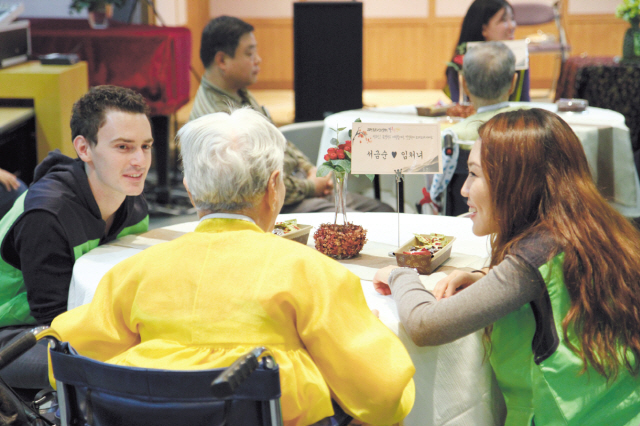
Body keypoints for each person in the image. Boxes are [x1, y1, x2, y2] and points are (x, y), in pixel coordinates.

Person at [45, 108, 415, 426]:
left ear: (190, 191)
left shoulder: (132, 274)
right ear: (275, 187)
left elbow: (68, 357)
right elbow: (382, 393)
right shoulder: (312, 273)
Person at [374, 109, 640, 425]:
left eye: (474, 174)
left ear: (517, 181)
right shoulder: (593, 225)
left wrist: (400, 274)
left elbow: (425, 325)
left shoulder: (532, 256)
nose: (463, 190)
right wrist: (483, 277)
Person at [0, 85, 151, 390]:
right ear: (84, 149)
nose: (140, 161)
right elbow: (56, 325)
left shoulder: (132, 200)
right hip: (17, 333)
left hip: (77, 316)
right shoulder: (48, 215)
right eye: (123, 147)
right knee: (121, 368)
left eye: (145, 146)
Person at [191, 15, 393, 213]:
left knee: (383, 211)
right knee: (360, 224)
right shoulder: (218, 120)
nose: (258, 60)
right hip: (275, 205)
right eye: (249, 53)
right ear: (222, 60)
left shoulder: (237, 93)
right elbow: (257, 186)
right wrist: (312, 186)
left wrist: (310, 170)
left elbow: (280, 141)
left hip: (294, 187)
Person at [433, 41, 529, 216]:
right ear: (513, 82)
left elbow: (435, 193)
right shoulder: (531, 125)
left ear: (465, 85)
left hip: (463, 218)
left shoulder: (451, 135)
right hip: (521, 217)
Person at [445, 0, 530, 104]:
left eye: (512, 19)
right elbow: (459, 104)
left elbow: (524, 102)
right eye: (503, 20)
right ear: (483, 28)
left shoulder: (518, 57)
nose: (512, 26)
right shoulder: (462, 60)